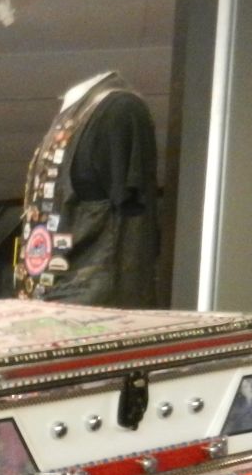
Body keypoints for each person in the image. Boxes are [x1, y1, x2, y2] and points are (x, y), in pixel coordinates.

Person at [14, 71, 160, 307]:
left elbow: (136, 235)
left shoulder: (120, 111)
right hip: (49, 305)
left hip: (98, 312)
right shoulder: (70, 119)